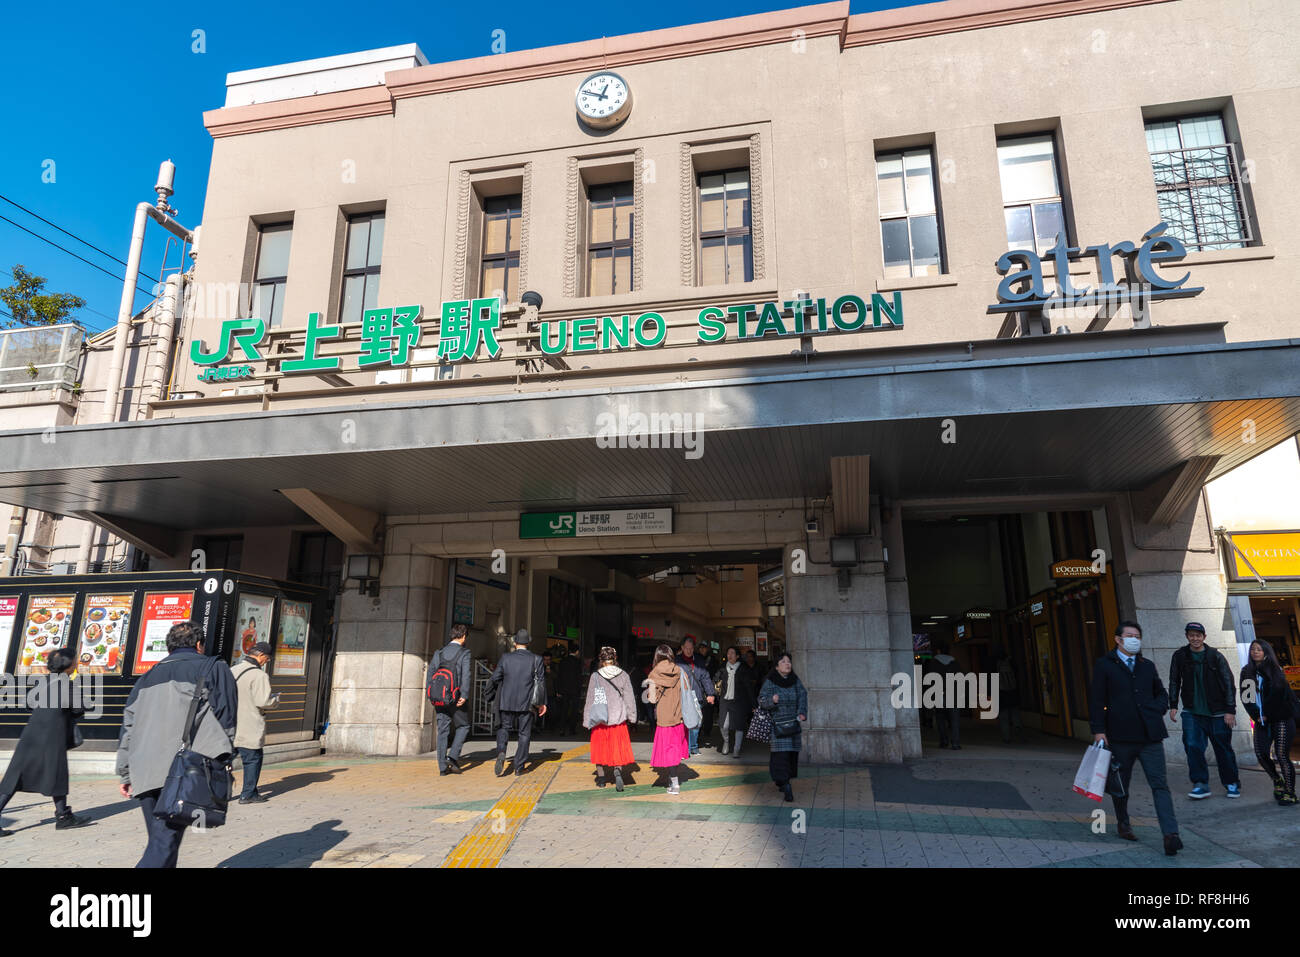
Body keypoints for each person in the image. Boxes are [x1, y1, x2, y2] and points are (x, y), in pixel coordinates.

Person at [117, 621, 237, 868]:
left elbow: (128, 726)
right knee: (163, 844)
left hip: (144, 770)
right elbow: (227, 716)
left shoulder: (146, 677)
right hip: (184, 770)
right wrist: (225, 761)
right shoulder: (214, 667)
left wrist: (125, 772)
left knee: (161, 841)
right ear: (199, 644)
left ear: (169, 647)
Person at [1089, 620, 1182, 856]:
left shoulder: (1147, 665)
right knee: (1121, 787)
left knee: (1160, 785)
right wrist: (1099, 730)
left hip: (1151, 737)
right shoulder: (1104, 665)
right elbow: (1097, 700)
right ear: (1118, 639)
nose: (1135, 639)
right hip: (1120, 738)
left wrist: (1156, 708)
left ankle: (1170, 834)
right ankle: (1123, 822)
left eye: (1138, 636)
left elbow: (1161, 693)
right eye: (1130, 635)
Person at [0, 649, 91, 835]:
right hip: (53, 735)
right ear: (69, 664)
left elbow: (28, 703)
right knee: (56, 772)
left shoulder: (45, 681)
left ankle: (63, 814)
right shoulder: (67, 683)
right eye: (75, 660)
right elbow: (79, 709)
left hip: (32, 733)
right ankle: (64, 817)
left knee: (15, 776)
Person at [1168, 622, 1240, 799]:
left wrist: (1231, 710)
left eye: (1198, 635)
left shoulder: (1215, 656)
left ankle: (1231, 783)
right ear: (1187, 636)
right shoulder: (1180, 656)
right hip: (1192, 712)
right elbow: (1174, 680)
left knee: (1223, 749)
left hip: (1218, 713)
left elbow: (1228, 683)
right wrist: (1173, 704)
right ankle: (1200, 784)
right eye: (1191, 635)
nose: (1195, 638)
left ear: (1204, 637)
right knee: (1192, 746)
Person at [1239, 639, 1299, 806]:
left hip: (1281, 717)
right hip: (1261, 719)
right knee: (1261, 753)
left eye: (1259, 649)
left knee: (1281, 755)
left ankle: (1290, 792)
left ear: (1266, 651)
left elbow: (1279, 696)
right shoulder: (1247, 672)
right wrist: (1256, 715)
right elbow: (1247, 697)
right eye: (1253, 649)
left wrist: (1267, 715)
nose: (1255, 652)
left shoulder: (1275, 670)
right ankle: (1277, 780)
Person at [488, 629, 546, 776]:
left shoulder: (506, 658)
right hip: (526, 703)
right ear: (529, 643)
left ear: (515, 643)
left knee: (503, 728)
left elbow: (495, 678)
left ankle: (501, 751)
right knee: (524, 734)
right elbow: (540, 683)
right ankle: (519, 766)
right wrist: (542, 703)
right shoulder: (536, 659)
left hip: (506, 701)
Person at [230, 641, 281, 803]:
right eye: (267, 658)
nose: (266, 661)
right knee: (252, 759)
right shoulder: (259, 675)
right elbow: (263, 701)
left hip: (229, 725)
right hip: (249, 725)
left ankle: (218, 794)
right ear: (261, 656)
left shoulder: (232, 670)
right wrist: (276, 699)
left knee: (225, 760)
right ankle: (248, 794)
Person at [582, 646, 638, 791]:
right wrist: (632, 716)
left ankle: (601, 778)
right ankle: (617, 771)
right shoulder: (624, 675)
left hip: (600, 719)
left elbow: (590, 699)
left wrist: (587, 719)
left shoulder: (595, 676)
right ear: (615, 659)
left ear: (601, 660)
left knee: (600, 749)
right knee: (617, 749)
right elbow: (630, 698)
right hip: (618, 718)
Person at [759, 652, 808, 802]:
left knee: (791, 755)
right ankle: (785, 784)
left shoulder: (795, 680)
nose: (787, 664)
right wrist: (771, 701)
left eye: (789, 662)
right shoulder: (771, 681)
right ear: (777, 666)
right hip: (777, 725)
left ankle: (783, 779)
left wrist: (801, 712)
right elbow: (761, 700)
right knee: (780, 755)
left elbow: (803, 695)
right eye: (783, 662)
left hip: (792, 724)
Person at [427, 623, 472, 776]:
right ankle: (452, 757)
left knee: (443, 730)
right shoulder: (464, 653)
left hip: (439, 697)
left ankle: (442, 768)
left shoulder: (438, 653)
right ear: (464, 636)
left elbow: (430, 674)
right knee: (463, 726)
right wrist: (464, 695)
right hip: (455, 696)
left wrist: (430, 694)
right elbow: (466, 675)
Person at [646, 644, 689, 795]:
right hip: (678, 716)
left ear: (657, 656)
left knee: (668, 750)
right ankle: (673, 781)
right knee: (675, 749)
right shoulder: (679, 670)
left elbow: (652, 699)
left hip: (664, 718)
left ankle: (675, 783)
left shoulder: (653, 674)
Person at [675, 637, 714, 754]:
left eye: (691, 648)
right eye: (686, 648)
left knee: (696, 722)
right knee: (683, 722)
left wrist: (710, 693)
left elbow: (705, 677)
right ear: (682, 648)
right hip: (682, 695)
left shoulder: (699, 660)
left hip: (697, 695)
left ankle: (693, 746)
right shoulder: (676, 661)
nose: (689, 651)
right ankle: (684, 747)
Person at [714, 646, 756, 757]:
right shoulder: (722, 668)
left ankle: (736, 748)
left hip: (739, 702)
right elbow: (715, 680)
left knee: (739, 726)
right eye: (728, 653)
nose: (730, 655)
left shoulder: (743, 669)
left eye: (732, 653)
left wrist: (754, 704)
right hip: (725, 701)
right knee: (723, 725)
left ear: (737, 656)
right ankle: (726, 742)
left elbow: (748, 687)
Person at [928, 640, 961, 750]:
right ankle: (955, 743)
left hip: (938, 694)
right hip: (953, 694)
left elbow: (929, 681)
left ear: (938, 651)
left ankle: (944, 740)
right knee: (954, 719)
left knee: (940, 718)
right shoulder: (955, 663)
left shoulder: (933, 663)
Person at [994, 645, 1023, 744]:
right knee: (1015, 714)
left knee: (1004, 716)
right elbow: (1017, 674)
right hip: (1013, 691)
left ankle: (1006, 737)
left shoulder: (995, 663)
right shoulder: (1011, 661)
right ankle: (1019, 733)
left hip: (1001, 692)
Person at [555, 644, 581, 736]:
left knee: (564, 710)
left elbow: (559, 676)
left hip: (564, 690)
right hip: (575, 690)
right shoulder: (578, 662)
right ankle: (572, 729)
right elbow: (579, 677)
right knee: (574, 710)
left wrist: (558, 690)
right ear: (577, 651)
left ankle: (562, 729)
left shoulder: (563, 661)